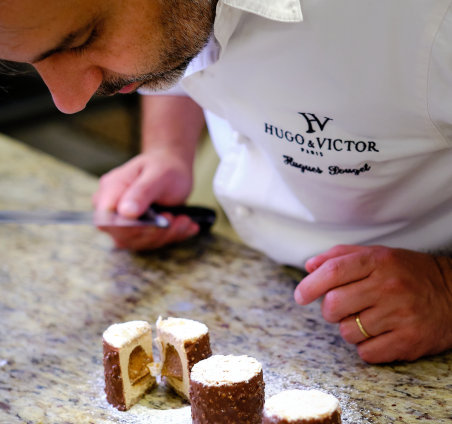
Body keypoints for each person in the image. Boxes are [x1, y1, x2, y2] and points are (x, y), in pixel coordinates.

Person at [1, 0, 452, 364]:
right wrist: (167, 150)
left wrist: (443, 291)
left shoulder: (428, 23)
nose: (68, 101)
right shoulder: (178, 12)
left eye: (82, 39)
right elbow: (183, 31)